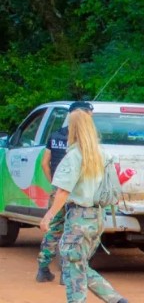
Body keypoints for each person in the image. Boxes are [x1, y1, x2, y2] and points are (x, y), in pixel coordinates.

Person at [38, 110, 130, 303]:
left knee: (73, 265)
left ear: (74, 129)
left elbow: (62, 191)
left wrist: (49, 215)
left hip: (79, 216)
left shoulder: (75, 155)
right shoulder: (102, 154)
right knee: (77, 264)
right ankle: (113, 300)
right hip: (97, 215)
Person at [36, 101, 94, 283]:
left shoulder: (55, 136)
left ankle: (43, 268)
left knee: (53, 228)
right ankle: (66, 272)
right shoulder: (86, 139)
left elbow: (44, 163)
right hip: (78, 192)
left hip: (59, 189)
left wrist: (55, 183)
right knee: (72, 231)